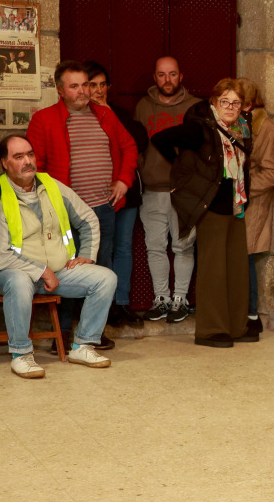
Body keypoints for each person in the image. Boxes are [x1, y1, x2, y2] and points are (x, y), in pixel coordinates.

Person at [25, 60, 138, 350]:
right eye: (75, 86)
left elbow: (129, 146)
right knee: (65, 269)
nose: (83, 91)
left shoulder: (105, 115)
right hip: (64, 213)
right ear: (60, 90)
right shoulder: (44, 119)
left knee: (101, 267)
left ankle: (93, 332)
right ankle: (61, 334)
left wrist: (124, 180)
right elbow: (34, 166)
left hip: (102, 208)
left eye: (85, 84)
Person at [0, 136, 116, 376]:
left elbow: (88, 219)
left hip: (58, 272)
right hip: (7, 275)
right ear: (4, 163)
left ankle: (82, 345)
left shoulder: (51, 185)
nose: (27, 161)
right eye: (19, 157)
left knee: (105, 278)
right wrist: (42, 271)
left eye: (30, 154)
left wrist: (87, 254)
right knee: (19, 280)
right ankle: (21, 354)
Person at [152, 79, 253, 349]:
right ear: (213, 102)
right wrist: (183, 167)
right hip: (211, 207)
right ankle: (211, 330)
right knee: (213, 270)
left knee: (236, 269)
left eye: (236, 102)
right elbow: (160, 139)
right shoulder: (201, 129)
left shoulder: (242, 128)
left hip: (236, 205)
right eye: (225, 102)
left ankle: (235, 325)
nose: (231, 107)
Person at [135, 56, 202, 323]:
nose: (167, 80)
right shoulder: (143, 106)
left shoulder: (196, 108)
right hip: (152, 190)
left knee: (183, 246)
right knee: (155, 247)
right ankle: (160, 298)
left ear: (181, 76)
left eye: (172, 74)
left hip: (185, 191)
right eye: (162, 75)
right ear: (154, 77)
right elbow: (137, 147)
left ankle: (180, 300)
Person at [83, 61, 149, 328]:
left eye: (103, 85)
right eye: (93, 85)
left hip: (125, 193)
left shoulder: (120, 113)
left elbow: (139, 142)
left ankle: (121, 303)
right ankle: (102, 306)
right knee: (100, 251)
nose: (99, 91)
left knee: (122, 248)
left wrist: (111, 115)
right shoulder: (81, 115)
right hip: (95, 195)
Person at [240, 77, 274, 342]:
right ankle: (239, 313)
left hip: (252, 202)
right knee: (236, 260)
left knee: (246, 259)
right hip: (234, 204)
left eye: (243, 104)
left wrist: (241, 187)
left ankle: (251, 317)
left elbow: (272, 173)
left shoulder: (266, 128)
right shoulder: (233, 124)